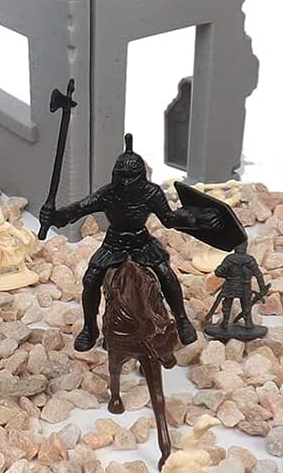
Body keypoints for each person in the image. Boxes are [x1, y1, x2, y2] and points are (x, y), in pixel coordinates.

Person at [39, 134, 226, 350]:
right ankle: (90, 329)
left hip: (141, 241)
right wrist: (55, 216)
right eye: (122, 176)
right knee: (91, 280)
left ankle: (182, 319)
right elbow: (80, 208)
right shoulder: (108, 193)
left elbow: (169, 219)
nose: (126, 182)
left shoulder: (151, 193)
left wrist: (197, 218)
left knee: (165, 273)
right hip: (114, 242)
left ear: (141, 176)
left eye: (131, 177)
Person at [207, 241, 269, 337]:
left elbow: (218, 272)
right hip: (245, 287)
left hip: (231, 286)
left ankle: (225, 323)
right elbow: (258, 274)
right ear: (246, 247)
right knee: (246, 306)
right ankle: (248, 324)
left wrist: (228, 275)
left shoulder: (230, 259)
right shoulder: (250, 260)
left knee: (227, 306)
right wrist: (262, 287)